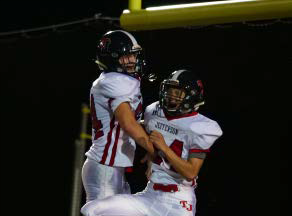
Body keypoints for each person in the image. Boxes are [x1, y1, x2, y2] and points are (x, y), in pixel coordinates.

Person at [80, 69, 223, 216]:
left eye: (178, 93)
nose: (171, 96)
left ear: (192, 97)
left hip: (178, 202)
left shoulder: (202, 126)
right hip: (150, 195)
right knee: (93, 209)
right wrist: (151, 151)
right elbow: (143, 131)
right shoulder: (154, 111)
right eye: (170, 91)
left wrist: (164, 149)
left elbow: (190, 172)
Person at [81, 30, 155, 203]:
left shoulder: (117, 80)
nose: (132, 60)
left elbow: (127, 123)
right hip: (105, 168)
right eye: (125, 56)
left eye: (133, 55)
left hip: (112, 168)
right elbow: (128, 124)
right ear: (111, 59)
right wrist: (157, 152)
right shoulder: (114, 81)